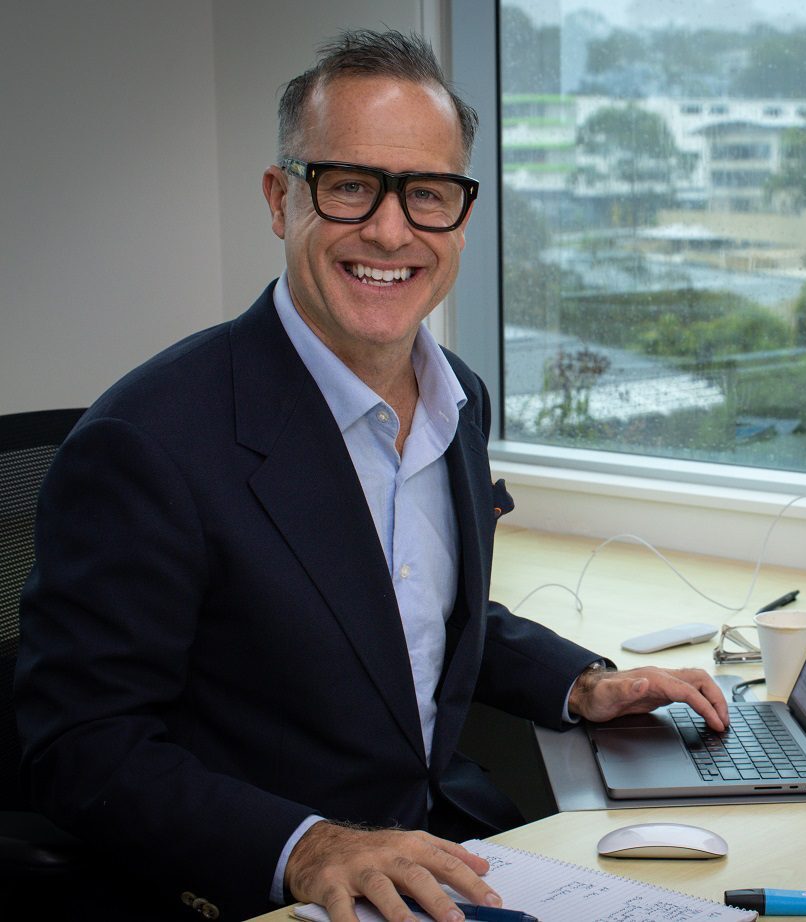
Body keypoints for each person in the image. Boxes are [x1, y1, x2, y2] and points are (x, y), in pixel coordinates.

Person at [14, 29, 728, 922]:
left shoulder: (458, 397)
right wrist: (308, 847)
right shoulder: (148, 442)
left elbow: (405, 614)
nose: (390, 230)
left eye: (427, 194)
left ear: (461, 218)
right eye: (349, 186)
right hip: (263, 892)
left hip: (445, 847)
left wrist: (580, 683)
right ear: (282, 200)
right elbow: (79, 747)